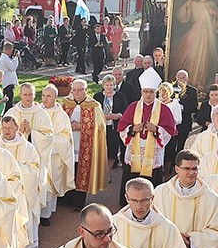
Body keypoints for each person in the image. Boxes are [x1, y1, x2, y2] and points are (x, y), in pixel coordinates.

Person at [117, 68, 177, 207]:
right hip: (134, 150)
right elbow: (121, 127)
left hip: (153, 150)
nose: (148, 95)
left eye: (151, 92)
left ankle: (151, 203)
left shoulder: (163, 109)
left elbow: (170, 131)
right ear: (141, 92)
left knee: (151, 179)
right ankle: (127, 202)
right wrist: (132, 129)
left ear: (155, 92)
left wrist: (156, 129)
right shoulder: (133, 107)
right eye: (146, 91)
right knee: (131, 177)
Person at [0, 116, 42, 248]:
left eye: (9, 128)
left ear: (17, 128)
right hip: (2, 194)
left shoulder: (27, 147)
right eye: (4, 128)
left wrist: (15, 169)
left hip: (22, 193)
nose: (7, 131)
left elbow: (34, 168)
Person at [5, 83, 53, 209]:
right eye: (25, 94)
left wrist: (32, 133)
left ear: (34, 95)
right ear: (20, 95)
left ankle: (38, 214)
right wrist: (17, 132)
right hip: (15, 157)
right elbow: (2, 133)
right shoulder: (12, 112)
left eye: (30, 94)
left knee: (35, 185)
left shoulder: (42, 114)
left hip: (35, 157)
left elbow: (48, 135)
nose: (27, 97)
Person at [63, 79, 108, 209]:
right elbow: (58, 121)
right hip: (69, 144)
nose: (77, 92)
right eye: (75, 90)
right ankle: (67, 199)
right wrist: (68, 126)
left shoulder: (94, 105)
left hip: (85, 145)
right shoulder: (66, 103)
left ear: (86, 90)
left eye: (80, 89)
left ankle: (78, 202)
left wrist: (82, 126)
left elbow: (100, 126)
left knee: (81, 171)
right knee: (70, 169)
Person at [170, 0, 218, 90]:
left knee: (203, 58)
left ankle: (200, 81)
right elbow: (183, 17)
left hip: (207, 34)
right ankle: (190, 80)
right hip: (195, 32)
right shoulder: (193, 3)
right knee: (192, 56)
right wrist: (188, 3)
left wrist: (215, 14)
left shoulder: (211, 4)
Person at [40, 84, 75, 225]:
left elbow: (65, 138)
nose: (45, 99)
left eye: (49, 96)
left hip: (53, 156)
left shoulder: (61, 115)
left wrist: (46, 142)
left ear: (55, 97)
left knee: (50, 185)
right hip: (36, 155)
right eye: (43, 95)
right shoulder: (36, 111)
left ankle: (46, 214)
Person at [93, 75, 127, 180]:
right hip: (100, 127)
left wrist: (117, 116)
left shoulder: (120, 96)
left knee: (112, 150)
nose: (109, 87)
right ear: (103, 85)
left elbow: (125, 111)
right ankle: (99, 172)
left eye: (111, 85)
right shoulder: (97, 96)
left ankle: (106, 173)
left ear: (114, 85)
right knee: (100, 149)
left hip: (114, 127)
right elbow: (92, 111)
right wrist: (102, 116)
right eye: (107, 85)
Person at [0, 43, 19, 112]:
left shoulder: (5, 57)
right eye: (11, 50)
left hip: (8, 82)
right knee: (9, 103)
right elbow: (13, 67)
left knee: (9, 101)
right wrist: (16, 57)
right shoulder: (4, 58)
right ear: (8, 50)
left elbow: (11, 63)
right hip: (8, 82)